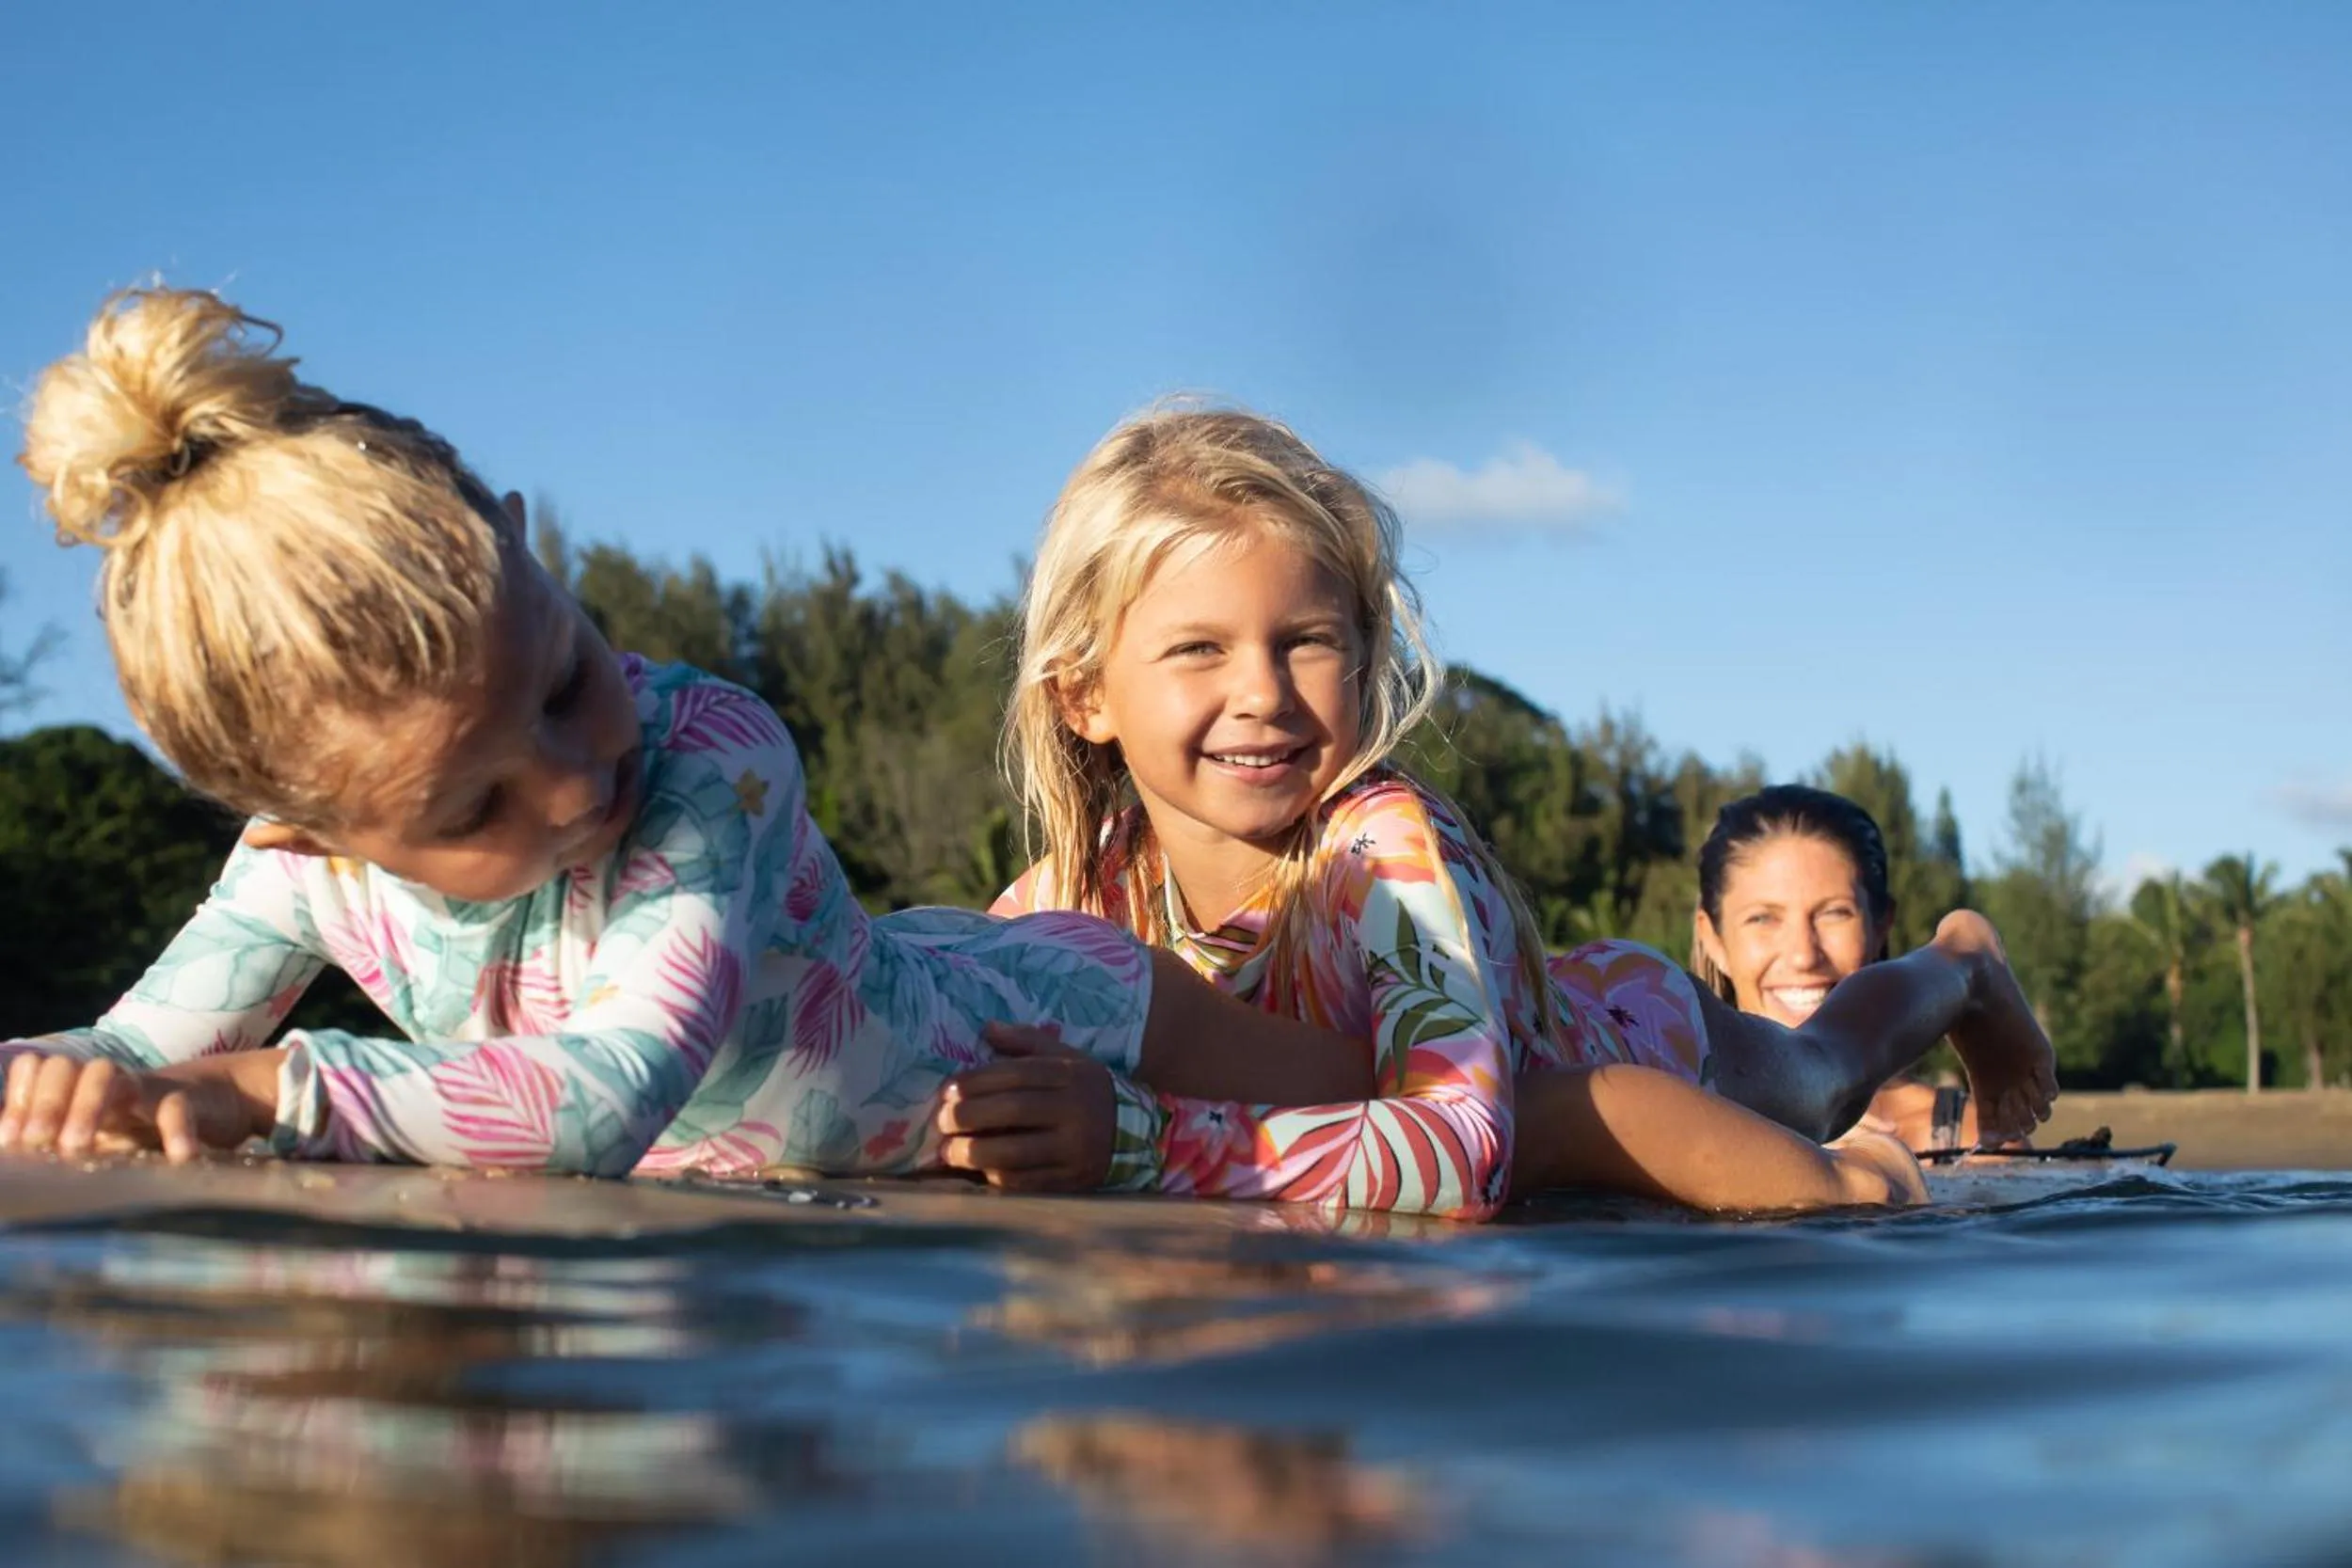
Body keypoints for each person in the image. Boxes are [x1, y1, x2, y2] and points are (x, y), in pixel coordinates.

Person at [0, 288, 1380, 1178]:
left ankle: (1562, 1036)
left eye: (562, 682)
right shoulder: (293, 865)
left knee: (1359, 1089)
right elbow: (130, 1044)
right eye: (473, 807)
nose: (574, 778)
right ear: (303, 823)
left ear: (533, 553)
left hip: (1018, 1005)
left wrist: (263, 1085)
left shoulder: (708, 753)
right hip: (856, 1052)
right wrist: (59, 1090)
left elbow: (604, 1099)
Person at [960, 405, 2058, 1218]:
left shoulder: (1378, 850)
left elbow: (1497, 1137)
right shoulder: (1067, 901)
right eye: (1198, 648)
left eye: (1305, 641)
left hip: (1619, 1058)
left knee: (1818, 1074)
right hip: (1503, 1072)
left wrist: (1141, 1139)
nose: (1263, 691)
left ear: (1363, 654)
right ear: (1085, 693)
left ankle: (1958, 965)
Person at [1692, 784, 2005, 1154]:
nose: (1803, 955)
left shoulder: (1970, 1138)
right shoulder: (1661, 1121)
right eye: (1763, 918)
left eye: (1834, 914)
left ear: (1880, 927)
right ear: (1713, 941)